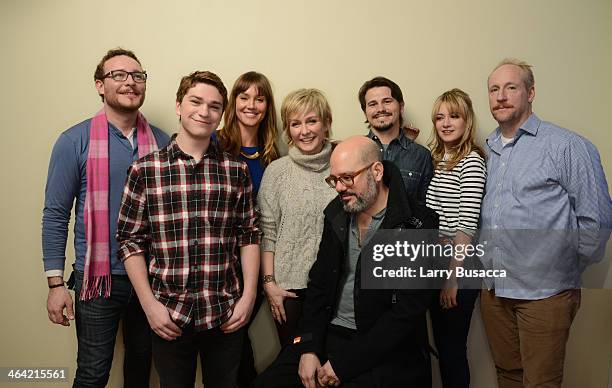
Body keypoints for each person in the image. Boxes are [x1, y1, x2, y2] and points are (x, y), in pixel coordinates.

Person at [116, 70, 261, 388]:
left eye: (214, 106)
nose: (204, 111)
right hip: (169, 314)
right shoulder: (145, 170)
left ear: (221, 116)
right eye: (196, 101)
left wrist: (248, 297)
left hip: (224, 312)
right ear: (179, 105)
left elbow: (249, 235)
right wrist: (150, 306)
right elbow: (129, 240)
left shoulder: (234, 171)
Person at [253, 136, 434, 388]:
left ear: (377, 171)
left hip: (383, 347)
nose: (339, 188)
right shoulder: (337, 212)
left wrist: (344, 365)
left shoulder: (417, 223)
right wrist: (309, 347)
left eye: (347, 178)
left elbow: (405, 313)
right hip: (329, 334)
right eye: (334, 180)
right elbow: (318, 286)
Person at [480, 58, 612, 388]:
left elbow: (596, 220)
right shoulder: (489, 148)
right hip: (495, 292)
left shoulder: (567, 145)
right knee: (508, 375)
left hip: (545, 294)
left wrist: (561, 267)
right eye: (494, 89)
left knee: (541, 382)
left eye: (511, 87)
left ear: (531, 92)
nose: (501, 96)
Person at [42, 48, 168, 388]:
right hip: (97, 280)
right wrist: (55, 285)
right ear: (100, 85)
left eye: (137, 76)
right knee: (93, 374)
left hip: (153, 278)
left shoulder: (162, 142)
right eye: (119, 75)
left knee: (142, 371)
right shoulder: (74, 141)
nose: (130, 82)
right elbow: (55, 215)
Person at [257, 88, 337, 349]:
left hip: (335, 287)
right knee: (293, 364)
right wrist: (270, 284)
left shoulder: (343, 164)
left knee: (331, 367)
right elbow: (267, 233)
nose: (304, 131)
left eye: (312, 121)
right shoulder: (276, 171)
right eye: (295, 124)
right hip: (288, 290)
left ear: (326, 123)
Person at [217, 71, 280, 387]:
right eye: (244, 97)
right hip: (217, 262)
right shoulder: (215, 144)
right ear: (233, 102)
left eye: (259, 98)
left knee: (234, 332)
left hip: (255, 261)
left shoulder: (273, 158)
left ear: (267, 106)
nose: (251, 105)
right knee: (228, 342)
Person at [425, 89, 486, 388]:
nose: (446, 123)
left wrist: (452, 277)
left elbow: (467, 224)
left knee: (451, 351)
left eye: (454, 116)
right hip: (435, 263)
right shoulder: (435, 157)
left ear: (467, 120)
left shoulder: (471, 161)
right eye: (439, 117)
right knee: (440, 347)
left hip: (459, 266)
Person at [358, 76, 433, 204]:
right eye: (373, 104)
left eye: (387, 101)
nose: (380, 109)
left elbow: (425, 210)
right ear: (365, 112)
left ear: (401, 107)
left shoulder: (422, 156)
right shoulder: (354, 151)